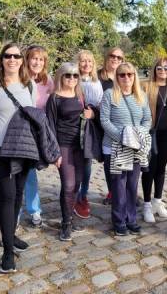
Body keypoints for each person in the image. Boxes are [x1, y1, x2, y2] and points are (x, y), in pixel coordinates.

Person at [0, 43, 37, 273]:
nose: (12, 60)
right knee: (8, 195)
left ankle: (11, 235)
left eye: (16, 56)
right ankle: (6, 252)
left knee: (19, 194)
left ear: (21, 60)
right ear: (1, 60)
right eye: (7, 56)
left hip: (24, 147)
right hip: (1, 147)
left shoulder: (29, 85)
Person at [100, 62, 152, 236]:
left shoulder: (141, 96)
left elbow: (147, 120)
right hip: (114, 147)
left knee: (131, 185)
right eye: (122, 74)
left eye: (130, 74)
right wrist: (123, 137)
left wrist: (137, 136)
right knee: (118, 187)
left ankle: (131, 219)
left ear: (135, 76)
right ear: (117, 77)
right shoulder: (109, 95)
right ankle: (119, 220)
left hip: (135, 148)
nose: (126, 78)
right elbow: (105, 121)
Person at [46, 62, 94, 241]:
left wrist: (93, 115)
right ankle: (65, 223)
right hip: (63, 146)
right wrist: (54, 152)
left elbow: (90, 112)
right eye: (68, 75)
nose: (72, 79)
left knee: (77, 184)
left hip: (81, 146)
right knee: (68, 185)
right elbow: (49, 126)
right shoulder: (54, 98)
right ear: (61, 76)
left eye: (75, 75)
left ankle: (70, 218)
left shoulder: (80, 94)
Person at [142, 57, 167, 223]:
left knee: (161, 168)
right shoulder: (146, 86)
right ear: (154, 69)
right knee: (149, 169)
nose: (162, 71)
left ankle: (157, 201)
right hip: (150, 134)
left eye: (166, 68)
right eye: (159, 68)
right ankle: (146, 205)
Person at [19, 45, 54, 228]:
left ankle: (35, 210)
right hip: (19, 132)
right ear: (27, 60)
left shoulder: (47, 81)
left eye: (41, 59)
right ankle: (15, 213)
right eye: (34, 58)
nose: (37, 62)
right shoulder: (18, 79)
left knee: (31, 172)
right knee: (18, 172)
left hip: (37, 132)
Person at [73, 50, 104, 219]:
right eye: (83, 61)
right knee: (72, 163)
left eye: (89, 62)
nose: (86, 65)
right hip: (73, 126)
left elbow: (100, 104)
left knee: (86, 164)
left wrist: (93, 113)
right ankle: (71, 195)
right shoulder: (72, 78)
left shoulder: (95, 82)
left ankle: (82, 196)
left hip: (89, 127)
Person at [98, 47, 125, 205]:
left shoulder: (125, 76)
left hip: (121, 126)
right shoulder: (98, 77)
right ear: (106, 57)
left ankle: (124, 191)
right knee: (108, 160)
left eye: (119, 58)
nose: (115, 59)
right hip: (101, 124)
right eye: (112, 56)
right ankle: (112, 191)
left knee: (123, 160)